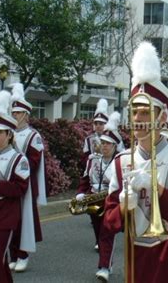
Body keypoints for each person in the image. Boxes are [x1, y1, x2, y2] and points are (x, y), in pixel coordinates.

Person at [103, 41, 168, 282]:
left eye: (145, 112)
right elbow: (109, 222)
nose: (137, 119)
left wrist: (156, 190)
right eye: (134, 112)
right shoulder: (120, 162)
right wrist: (122, 206)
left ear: (161, 116)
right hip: (135, 257)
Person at [0, 90, 32, 282]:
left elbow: (19, 189)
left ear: (9, 134)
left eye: (0, 132)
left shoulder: (19, 159)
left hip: (5, 215)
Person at [76, 112, 124, 281]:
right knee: (98, 232)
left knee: (106, 233)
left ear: (114, 146)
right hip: (93, 200)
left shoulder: (119, 163)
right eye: (102, 143)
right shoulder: (91, 160)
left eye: (108, 144)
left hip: (110, 202)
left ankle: (104, 267)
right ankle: (106, 261)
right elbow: (84, 179)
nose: (104, 146)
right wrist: (81, 193)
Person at [8, 83, 46, 272]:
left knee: (24, 220)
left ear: (25, 115)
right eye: (13, 113)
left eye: (17, 113)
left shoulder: (34, 136)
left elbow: (33, 163)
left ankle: (23, 254)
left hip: (27, 185)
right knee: (10, 218)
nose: (14, 116)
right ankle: (13, 254)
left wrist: (14, 148)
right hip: (10, 184)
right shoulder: (9, 133)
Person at [81, 98, 109, 166]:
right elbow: (83, 159)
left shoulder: (112, 139)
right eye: (96, 124)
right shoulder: (88, 140)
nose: (98, 126)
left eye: (101, 124)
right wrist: (90, 158)